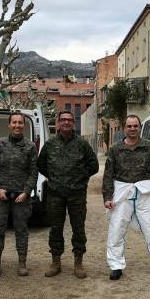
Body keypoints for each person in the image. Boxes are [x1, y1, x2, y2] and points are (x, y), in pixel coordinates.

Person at [103, 115, 150, 281]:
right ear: (124, 128)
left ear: (139, 128)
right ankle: (116, 266)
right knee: (116, 230)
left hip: (145, 191)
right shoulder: (115, 149)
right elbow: (108, 174)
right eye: (129, 126)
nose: (132, 129)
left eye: (135, 126)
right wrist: (107, 196)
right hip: (122, 191)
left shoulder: (149, 147)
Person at [38, 111, 99, 279]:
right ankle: (55, 262)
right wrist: (55, 177)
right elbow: (41, 165)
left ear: (73, 123)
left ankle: (78, 263)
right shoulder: (50, 144)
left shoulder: (82, 144)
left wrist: (79, 177)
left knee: (78, 228)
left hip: (77, 195)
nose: (66, 122)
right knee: (55, 228)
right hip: (55, 194)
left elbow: (94, 165)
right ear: (58, 123)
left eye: (69, 120)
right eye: (63, 120)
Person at [0, 112, 38, 277]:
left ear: (24, 125)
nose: (17, 125)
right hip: (0, 196)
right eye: (14, 123)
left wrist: (26, 192)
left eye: (20, 123)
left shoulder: (30, 146)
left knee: (21, 230)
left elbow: (33, 172)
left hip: (21, 197)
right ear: (9, 125)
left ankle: (22, 263)